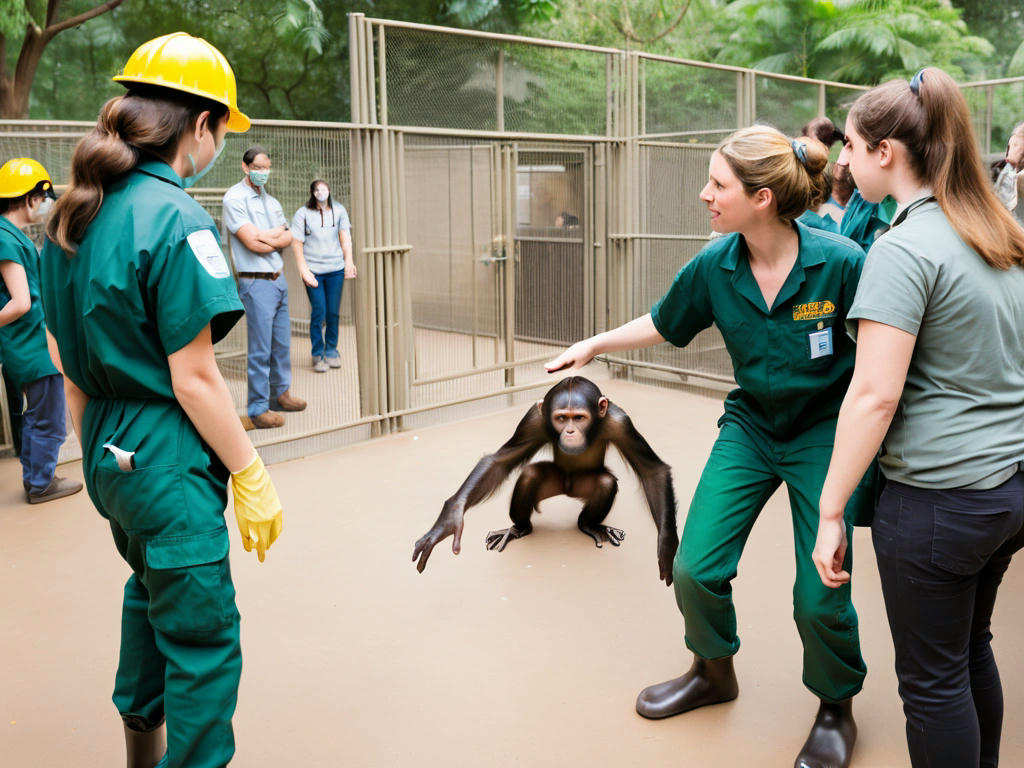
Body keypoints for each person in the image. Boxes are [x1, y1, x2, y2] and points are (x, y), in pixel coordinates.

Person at [546, 125, 873, 768]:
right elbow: (666, 321)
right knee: (696, 567)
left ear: (762, 199)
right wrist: (595, 344)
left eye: (718, 184)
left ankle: (836, 706)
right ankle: (713, 670)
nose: (704, 195)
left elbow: (882, 359)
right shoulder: (716, 264)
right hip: (751, 427)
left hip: (823, 434)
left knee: (819, 591)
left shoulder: (843, 263)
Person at [39, 32, 285, 768]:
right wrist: (249, 471)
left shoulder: (73, 213)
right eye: (223, 130)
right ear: (201, 125)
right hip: (168, 457)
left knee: (149, 598)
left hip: (111, 452)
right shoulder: (175, 216)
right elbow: (195, 377)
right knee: (203, 644)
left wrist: (104, 455)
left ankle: (140, 756)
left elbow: (67, 364)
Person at [812, 68, 1024, 768]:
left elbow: (874, 396)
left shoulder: (902, 250)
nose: (840, 161)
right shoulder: (997, 230)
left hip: (940, 502)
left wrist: (832, 507)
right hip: (1007, 492)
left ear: (886, 153)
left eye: (849, 144)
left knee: (931, 685)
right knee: (969, 651)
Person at [0, 158, 82, 503]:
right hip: (32, 346)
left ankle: (38, 477)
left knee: (38, 414)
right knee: (47, 418)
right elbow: (20, 302)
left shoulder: (8, 235)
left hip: (27, 344)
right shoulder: (7, 239)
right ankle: (40, 483)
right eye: (44, 197)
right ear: (32, 197)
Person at [222, 144, 306, 428]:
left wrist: (265, 237)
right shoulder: (234, 198)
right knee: (260, 348)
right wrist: (273, 237)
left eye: (266, 167)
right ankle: (258, 409)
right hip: (255, 283)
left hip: (278, 278)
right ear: (245, 168)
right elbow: (249, 242)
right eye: (257, 168)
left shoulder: (272, 202)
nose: (262, 173)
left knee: (281, 343)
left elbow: (288, 236)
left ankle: (280, 395)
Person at [290, 179, 356, 372]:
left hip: (335, 269)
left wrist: (348, 262)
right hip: (313, 272)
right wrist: (304, 271)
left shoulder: (340, 211)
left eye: (324, 189)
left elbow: (345, 239)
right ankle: (318, 354)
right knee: (319, 311)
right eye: (318, 190)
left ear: (330, 190)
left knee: (333, 312)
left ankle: (332, 351)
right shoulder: (302, 214)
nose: (321, 193)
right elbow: (296, 244)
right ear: (312, 192)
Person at [991, 121, 1023, 224]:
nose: (1009, 152)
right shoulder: (1006, 169)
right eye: (1010, 146)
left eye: (1015, 145)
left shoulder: (1018, 178)